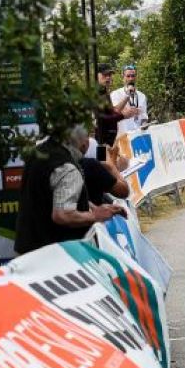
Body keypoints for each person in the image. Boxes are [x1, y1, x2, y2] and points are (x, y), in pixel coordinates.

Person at [16, 123, 126, 256]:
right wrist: (95, 215)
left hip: (28, 251)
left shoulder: (38, 153)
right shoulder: (67, 167)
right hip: (58, 256)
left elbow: (53, 195)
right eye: (88, 136)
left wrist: (90, 206)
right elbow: (62, 215)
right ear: (83, 143)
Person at [93, 63, 138, 156]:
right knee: (107, 167)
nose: (108, 78)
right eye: (105, 75)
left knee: (120, 164)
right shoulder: (97, 93)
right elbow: (103, 118)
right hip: (101, 141)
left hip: (110, 140)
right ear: (97, 75)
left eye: (110, 75)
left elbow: (114, 110)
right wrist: (124, 115)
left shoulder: (104, 91)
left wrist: (127, 96)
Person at [110, 65, 149, 134]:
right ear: (123, 77)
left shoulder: (142, 96)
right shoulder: (115, 94)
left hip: (138, 134)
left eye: (133, 76)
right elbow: (115, 112)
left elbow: (144, 117)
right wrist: (127, 95)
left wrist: (144, 124)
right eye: (128, 76)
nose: (131, 79)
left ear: (136, 77)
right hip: (122, 135)